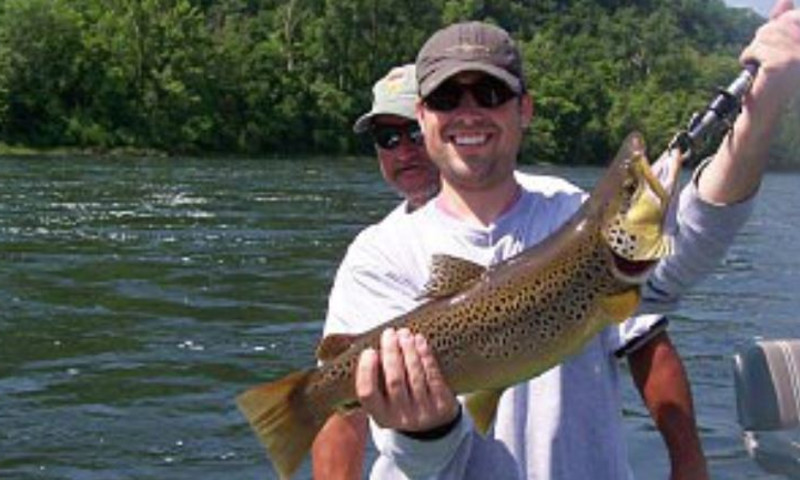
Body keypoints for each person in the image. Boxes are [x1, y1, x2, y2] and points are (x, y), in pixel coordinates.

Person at [319, 1, 800, 476]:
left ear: (524, 109)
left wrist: (766, 102)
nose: (468, 113)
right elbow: (412, 462)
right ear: (423, 118)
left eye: (489, 94)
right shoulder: (377, 257)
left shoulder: (571, 215)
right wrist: (424, 429)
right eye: (447, 99)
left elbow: (692, 235)